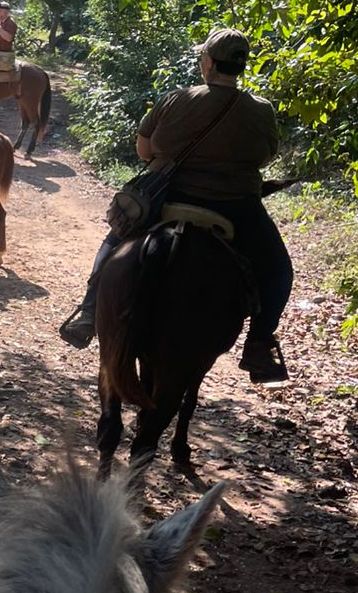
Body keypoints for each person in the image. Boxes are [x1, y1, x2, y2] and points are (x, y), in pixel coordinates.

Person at [58, 27, 292, 386]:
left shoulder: (176, 98)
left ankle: (89, 311)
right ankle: (259, 344)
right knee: (277, 269)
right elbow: (266, 156)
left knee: (115, 239)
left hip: (164, 198)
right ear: (239, 66)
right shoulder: (261, 109)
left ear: (208, 63)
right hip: (235, 205)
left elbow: (144, 151)